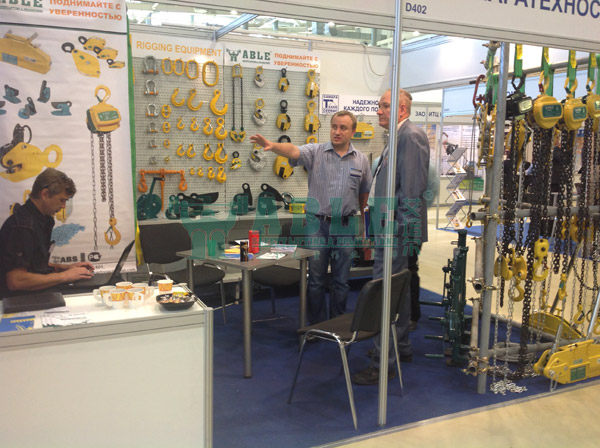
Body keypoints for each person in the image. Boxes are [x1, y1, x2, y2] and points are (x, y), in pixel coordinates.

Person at [250, 111, 372, 324]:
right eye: (334, 126)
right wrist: (273, 145)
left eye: (343, 128)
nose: (337, 131)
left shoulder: (361, 160)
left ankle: (337, 325)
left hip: (345, 226)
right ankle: (316, 326)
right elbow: (293, 150)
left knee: (341, 281)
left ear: (353, 131)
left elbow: (364, 196)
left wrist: (366, 228)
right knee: (315, 279)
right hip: (318, 225)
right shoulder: (316, 152)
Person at [352, 88, 430, 385]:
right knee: (399, 290)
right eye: (379, 106)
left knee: (385, 292)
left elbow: (411, 190)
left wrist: (403, 235)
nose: (378, 111)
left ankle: (382, 362)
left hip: (396, 232)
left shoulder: (410, 136)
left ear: (401, 109)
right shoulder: (396, 137)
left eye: (384, 106)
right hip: (390, 228)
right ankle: (402, 346)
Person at [0, 168, 94, 297]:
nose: (63, 206)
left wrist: (63, 268)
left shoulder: (42, 220)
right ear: (44, 194)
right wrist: (65, 276)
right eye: (62, 200)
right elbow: (16, 281)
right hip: (18, 299)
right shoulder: (23, 227)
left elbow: (33, 263)